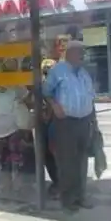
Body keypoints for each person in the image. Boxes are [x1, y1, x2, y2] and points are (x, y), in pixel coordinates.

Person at [43, 40, 95, 213]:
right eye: (80, 52)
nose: (83, 56)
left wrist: (92, 120)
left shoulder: (84, 73)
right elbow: (45, 91)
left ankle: (81, 196)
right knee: (67, 162)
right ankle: (68, 200)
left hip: (84, 121)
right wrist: (54, 105)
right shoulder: (58, 71)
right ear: (71, 53)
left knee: (81, 161)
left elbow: (90, 96)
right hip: (66, 122)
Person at [0, 59, 29, 196]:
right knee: (17, 158)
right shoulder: (17, 85)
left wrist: (1, 106)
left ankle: (5, 187)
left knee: (3, 159)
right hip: (15, 125)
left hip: (0, 126)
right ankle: (17, 188)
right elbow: (28, 99)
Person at [41, 59, 59, 198]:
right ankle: (57, 182)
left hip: (54, 123)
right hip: (49, 123)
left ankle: (59, 184)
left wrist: (47, 116)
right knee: (48, 154)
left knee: (53, 154)